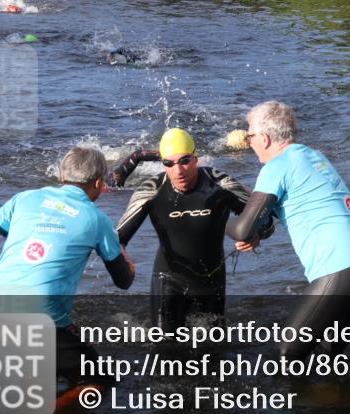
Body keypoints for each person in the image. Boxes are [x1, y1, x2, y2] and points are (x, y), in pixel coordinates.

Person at [0, 147, 135, 401]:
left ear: (62, 176)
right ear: (99, 183)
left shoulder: (24, 199)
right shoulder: (97, 219)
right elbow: (123, 282)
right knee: (99, 381)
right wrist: (129, 264)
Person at [228, 101, 350, 359]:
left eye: (250, 135)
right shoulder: (312, 156)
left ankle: (288, 400)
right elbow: (267, 222)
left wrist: (219, 213)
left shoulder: (276, 166)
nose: (248, 141)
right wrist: (256, 233)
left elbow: (242, 229)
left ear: (264, 138)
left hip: (339, 269)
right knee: (328, 358)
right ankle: (335, 399)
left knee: (286, 354)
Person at [112, 128, 270, 332]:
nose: (178, 171)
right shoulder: (151, 190)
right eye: (169, 164)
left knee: (213, 351)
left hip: (211, 282)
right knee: (163, 349)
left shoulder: (221, 183)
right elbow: (118, 239)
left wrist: (256, 236)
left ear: (196, 159)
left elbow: (266, 220)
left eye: (185, 161)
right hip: (168, 279)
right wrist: (122, 259)